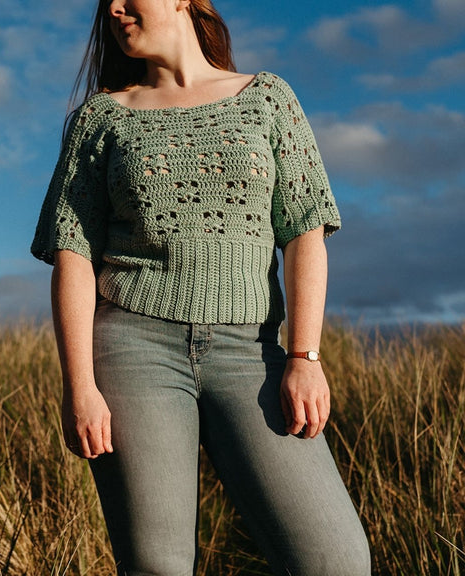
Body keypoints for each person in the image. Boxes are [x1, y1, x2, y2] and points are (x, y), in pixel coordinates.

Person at [30, 0, 370, 574]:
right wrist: (80, 386)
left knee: (335, 558)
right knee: (157, 565)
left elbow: (305, 231)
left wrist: (305, 356)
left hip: (252, 352)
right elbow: (73, 255)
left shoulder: (268, 100)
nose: (113, 8)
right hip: (133, 351)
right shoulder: (102, 119)